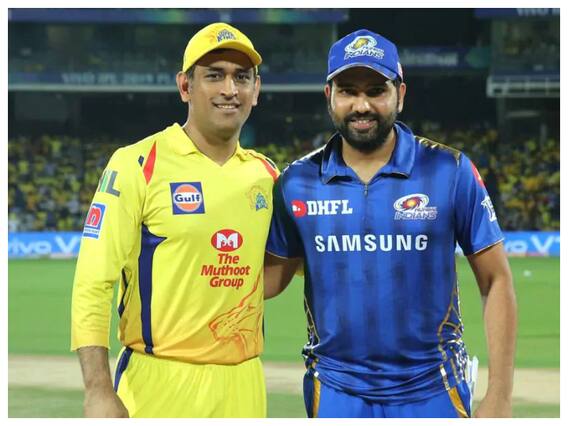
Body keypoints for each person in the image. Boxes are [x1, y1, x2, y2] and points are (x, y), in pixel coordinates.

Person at [264, 29, 517, 418]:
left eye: (376, 91)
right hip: (335, 390)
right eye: (348, 91)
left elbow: (496, 279)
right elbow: (269, 281)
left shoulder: (449, 171)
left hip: (434, 388)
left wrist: (500, 396)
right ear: (329, 95)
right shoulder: (297, 181)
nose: (362, 105)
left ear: (400, 94)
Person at [71, 22, 278, 418]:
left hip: (246, 383)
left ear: (256, 89)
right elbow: (92, 283)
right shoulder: (137, 164)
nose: (230, 89)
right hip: (159, 382)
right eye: (214, 75)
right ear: (185, 86)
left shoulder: (267, 176)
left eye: (242, 77)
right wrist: (97, 389)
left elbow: (282, 268)